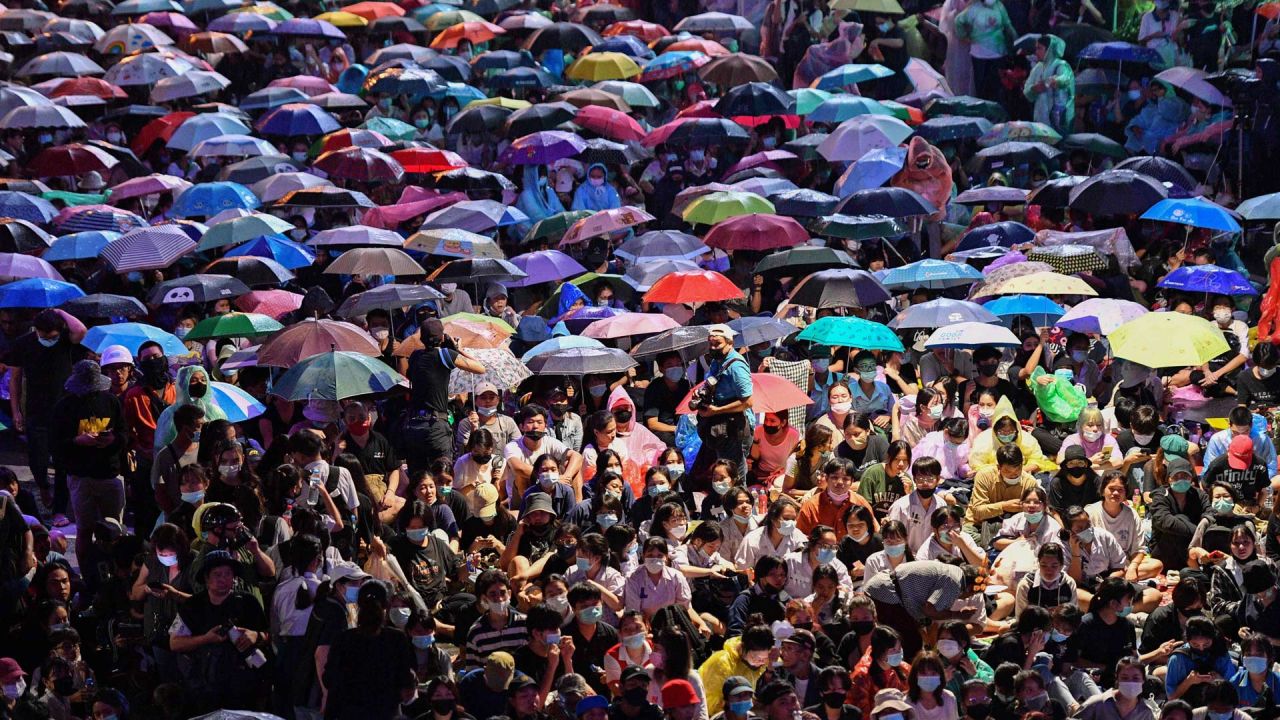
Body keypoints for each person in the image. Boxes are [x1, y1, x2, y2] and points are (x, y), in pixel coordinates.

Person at [51, 360, 127, 562]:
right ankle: (87, 572)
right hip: (80, 476)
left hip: (110, 474)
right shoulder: (64, 406)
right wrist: (77, 441)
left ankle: (115, 568)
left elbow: (124, 434)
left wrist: (112, 439)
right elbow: (55, 444)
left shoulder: (111, 402)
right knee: (84, 530)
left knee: (114, 529)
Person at [323, 579, 417, 720]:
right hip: (386, 712)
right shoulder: (396, 638)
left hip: (349, 712)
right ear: (386, 606)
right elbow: (404, 679)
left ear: (358, 605)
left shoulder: (344, 639)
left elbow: (329, 679)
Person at [692, 325, 754, 486]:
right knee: (723, 471)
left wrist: (717, 410)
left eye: (717, 344)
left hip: (734, 426)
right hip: (718, 426)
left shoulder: (736, 366)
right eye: (710, 343)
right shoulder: (716, 361)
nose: (713, 347)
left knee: (735, 475)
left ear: (730, 343)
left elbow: (747, 401)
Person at [1023, 34, 1075, 136]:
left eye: (1039, 48)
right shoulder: (1038, 67)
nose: (1036, 52)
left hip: (1057, 119)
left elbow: (1065, 78)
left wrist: (1054, 81)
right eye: (1036, 48)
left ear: (1049, 49)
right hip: (1040, 118)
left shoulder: (1061, 65)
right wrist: (1034, 89)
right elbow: (1027, 90)